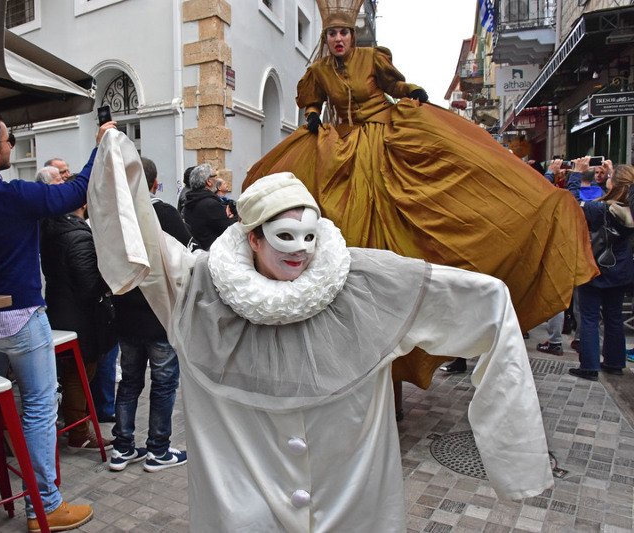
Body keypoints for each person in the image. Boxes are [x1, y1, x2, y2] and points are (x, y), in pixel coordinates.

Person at [88, 129, 553, 531]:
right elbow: (143, 246)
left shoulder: (365, 283)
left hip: (348, 508)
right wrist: (115, 157)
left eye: (309, 236)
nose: (301, 250)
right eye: (284, 237)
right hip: (247, 513)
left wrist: (516, 459)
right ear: (253, 237)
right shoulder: (199, 290)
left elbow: (485, 302)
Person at [243, 0, 596, 390]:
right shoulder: (319, 71)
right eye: (331, 34)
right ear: (325, 39)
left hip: (385, 138)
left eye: (343, 32)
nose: (338, 39)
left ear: (352, 36)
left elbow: (395, 86)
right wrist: (312, 114)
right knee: (339, 217)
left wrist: (411, 90)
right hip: (342, 146)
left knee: (411, 210)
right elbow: (313, 99)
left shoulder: (372, 59)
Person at [0, 112, 113, 531]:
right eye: (10, 138)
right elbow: (75, 191)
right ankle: (44, 506)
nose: (12, 145)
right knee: (38, 407)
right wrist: (100, 146)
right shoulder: (13, 195)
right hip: (22, 319)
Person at [107, 157, 190, 472]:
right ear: (154, 183)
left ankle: (122, 447)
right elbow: (185, 256)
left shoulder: (116, 218)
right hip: (159, 315)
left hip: (126, 313)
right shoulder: (165, 214)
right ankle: (158, 449)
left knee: (129, 382)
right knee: (164, 383)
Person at [39, 184, 117, 449]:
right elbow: (88, 284)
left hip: (60, 310)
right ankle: (79, 433)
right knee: (80, 372)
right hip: (79, 317)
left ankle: (76, 425)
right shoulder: (78, 235)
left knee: (74, 372)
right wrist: (109, 280)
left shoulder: (52, 228)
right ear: (84, 203)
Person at [567, 157, 633, 380]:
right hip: (621, 269)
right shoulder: (629, 210)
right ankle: (615, 362)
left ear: (614, 184)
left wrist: (576, 174)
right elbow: (622, 189)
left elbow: (573, 203)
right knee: (614, 317)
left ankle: (589, 366)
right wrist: (614, 173)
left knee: (589, 317)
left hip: (595, 267)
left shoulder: (601, 209)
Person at [182, 163, 235, 250]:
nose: (217, 179)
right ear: (209, 181)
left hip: (198, 252)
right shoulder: (210, 204)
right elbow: (228, 231)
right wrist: (232, 217)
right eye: (215, 176)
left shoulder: (189, 202)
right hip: (213, 252)